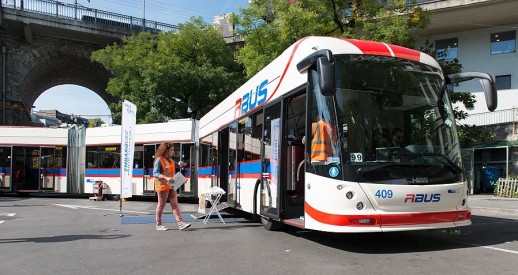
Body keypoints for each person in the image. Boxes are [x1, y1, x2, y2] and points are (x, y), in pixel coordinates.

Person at [153, 143, 191, 231]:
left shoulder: (170, 160)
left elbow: (175, 165)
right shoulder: (159, 160)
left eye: (173, 150)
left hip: (171, 185)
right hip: (162, 186)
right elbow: (155, 173)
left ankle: (181, 223)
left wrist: (180, 164)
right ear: (166, 150)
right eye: (171, 150)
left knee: (175, 204)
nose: (172, 152)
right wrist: (165, 177)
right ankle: (158, 224)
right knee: (161, 205)